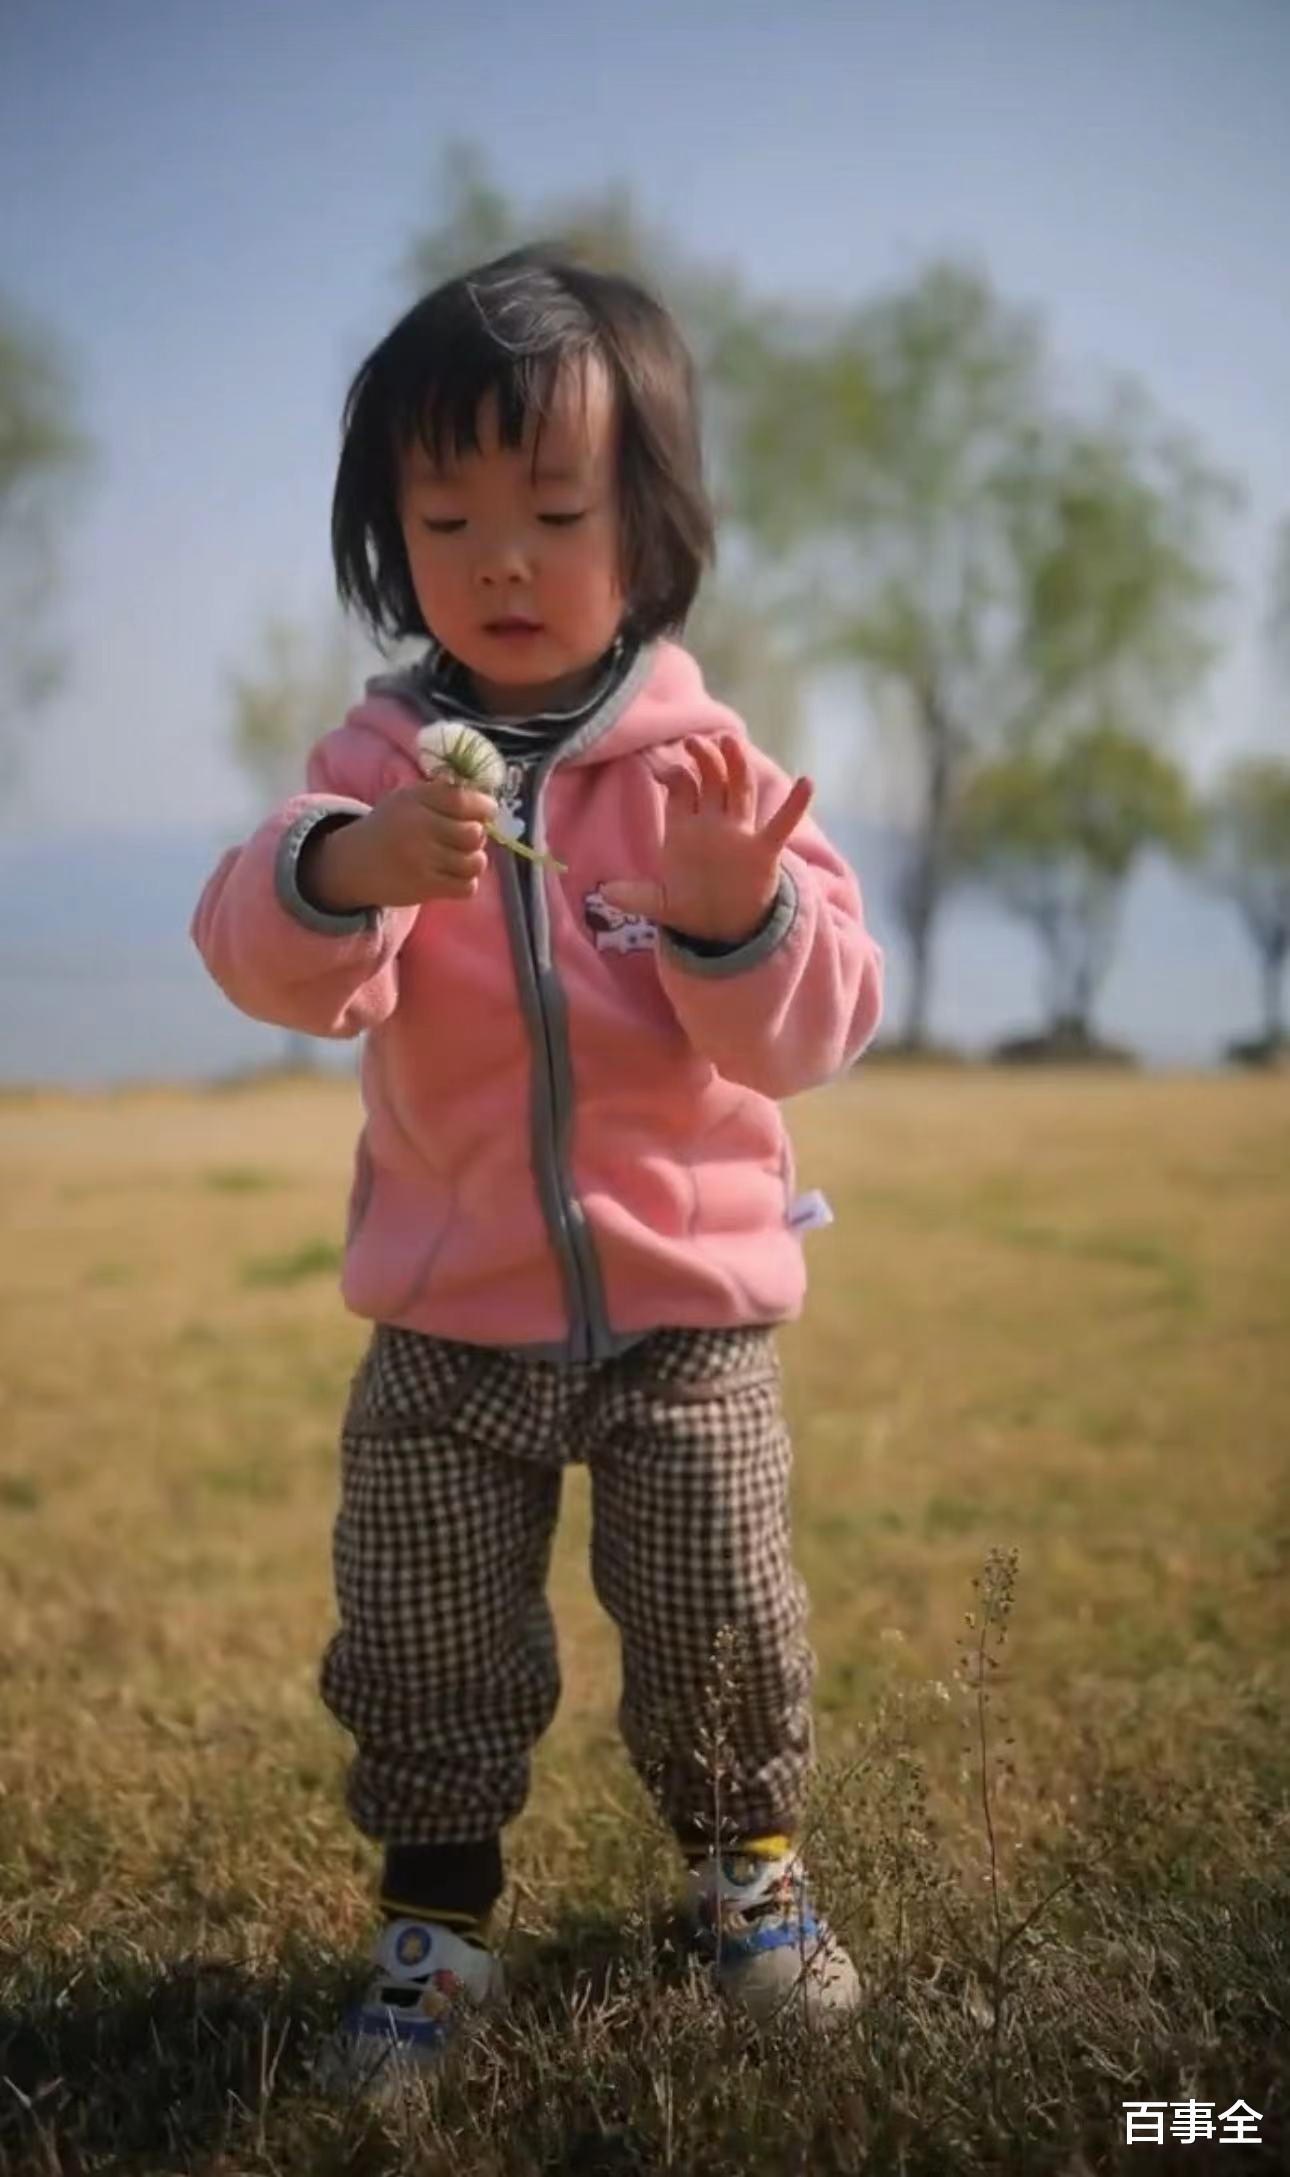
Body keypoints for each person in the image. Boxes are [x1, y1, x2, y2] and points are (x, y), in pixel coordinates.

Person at [191, 245, 884, 2093]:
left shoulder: (706, 774)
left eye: (554, 510)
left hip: (685, 1315)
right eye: (447, 515)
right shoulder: (378, 766)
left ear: (647, 531)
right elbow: (255, 944)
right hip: (448, 1314)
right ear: (389, 539)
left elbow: (814, 1026)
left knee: (719, 1615)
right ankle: (436, 1922)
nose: (500, 556)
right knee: (417, 1630)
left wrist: (738, 923)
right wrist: (345, 871)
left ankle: (748, 1874)